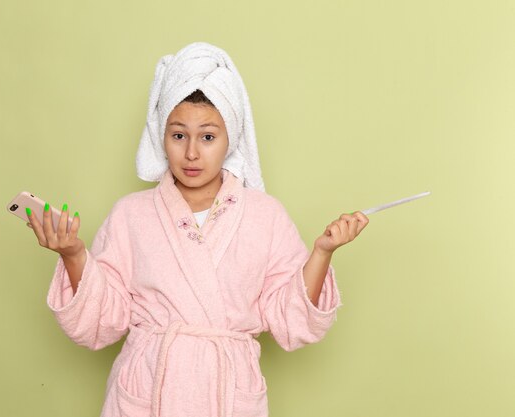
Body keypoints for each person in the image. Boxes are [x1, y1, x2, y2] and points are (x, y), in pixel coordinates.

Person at [26, 42, 369, 417]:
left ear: (230, 138)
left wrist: (322, 252)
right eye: (178, 135)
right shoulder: (130, 214)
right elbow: (100, 323)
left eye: (207, 137)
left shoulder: (265, 216)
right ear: (162, 137)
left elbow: (292, 322)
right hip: (148, 390)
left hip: (227, 392)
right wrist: (74, 255)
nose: (191, 153)